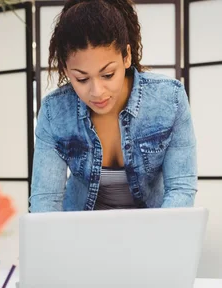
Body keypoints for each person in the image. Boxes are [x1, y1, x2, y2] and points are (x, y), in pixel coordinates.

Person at [29, 0, 197, 212]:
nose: (97, 91)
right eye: (81, 79)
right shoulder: (55, 112)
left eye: (108, 74)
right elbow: (45, 201)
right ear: (65, 69)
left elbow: (181, 189)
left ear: (126, 57)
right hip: (81, 231)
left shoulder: (170, 100)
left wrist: (157, 239)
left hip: (153, 228)